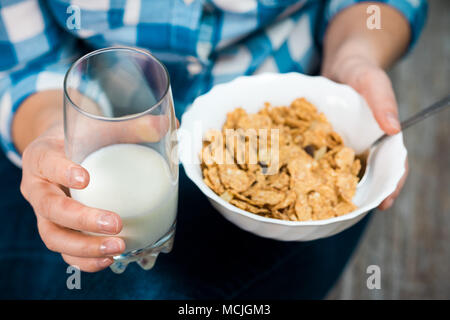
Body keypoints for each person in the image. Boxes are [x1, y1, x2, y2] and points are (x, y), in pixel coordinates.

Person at [0, 0, 427, 299]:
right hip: (93, 121)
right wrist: (62, 133)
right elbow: (26, 62)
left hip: (294, 90)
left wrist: (355, 56)